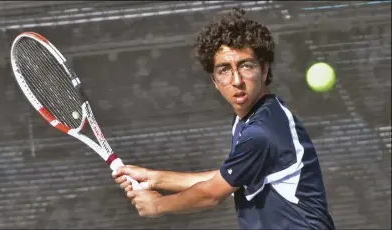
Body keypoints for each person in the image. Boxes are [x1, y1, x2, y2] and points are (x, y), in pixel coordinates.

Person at [113, 7, 335, 230]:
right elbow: (227, 178)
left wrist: (158, 205)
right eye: (224, 70)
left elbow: (211, 194)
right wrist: (155, 178)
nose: (236, 80)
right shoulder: (252, 118)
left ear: (264, 69)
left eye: (246, 66)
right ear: (215, 81)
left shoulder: (261, 132)